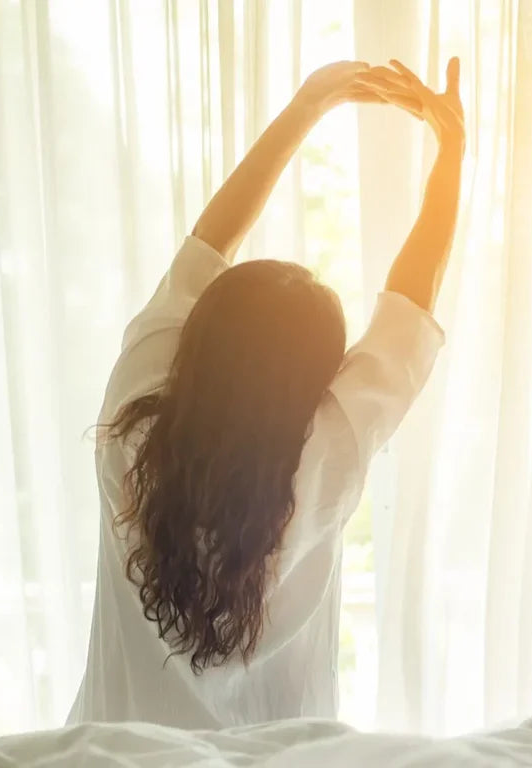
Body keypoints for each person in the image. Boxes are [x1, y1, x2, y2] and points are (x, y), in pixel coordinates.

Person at [67, 57, 464, 728]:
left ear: (199, 334)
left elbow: (208, 243)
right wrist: (452, 153)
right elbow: (410, 299)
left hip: (108, 749)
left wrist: (309, 106)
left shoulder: (134, 408)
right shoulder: (331, 444)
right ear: (317, 377)